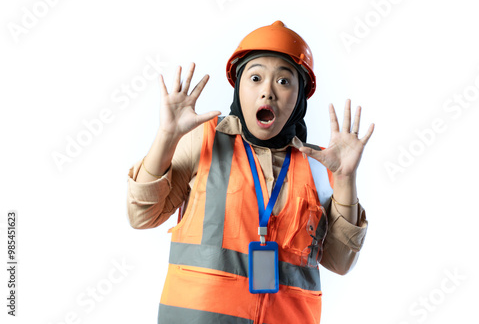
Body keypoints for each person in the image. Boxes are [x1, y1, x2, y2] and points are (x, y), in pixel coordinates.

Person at [126, 20, 374, 324]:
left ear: (300, 98)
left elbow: (340, 261)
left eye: (284, 82)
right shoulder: (203, 140)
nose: (267, 92)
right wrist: (166, 137)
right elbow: (141, 216)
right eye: (255, 78)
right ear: (238, 86)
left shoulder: (319, 166)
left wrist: (347, 180)